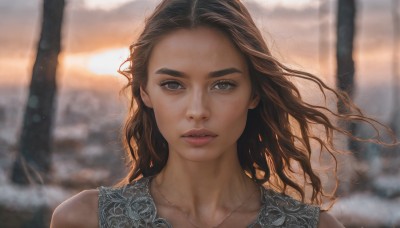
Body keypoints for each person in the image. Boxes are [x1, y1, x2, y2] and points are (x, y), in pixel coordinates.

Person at [50, 0, 386, 227]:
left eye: (222, 84)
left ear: (253, 93)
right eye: (173, 85)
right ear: (145, 92)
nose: (197, 111)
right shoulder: (84, 220)